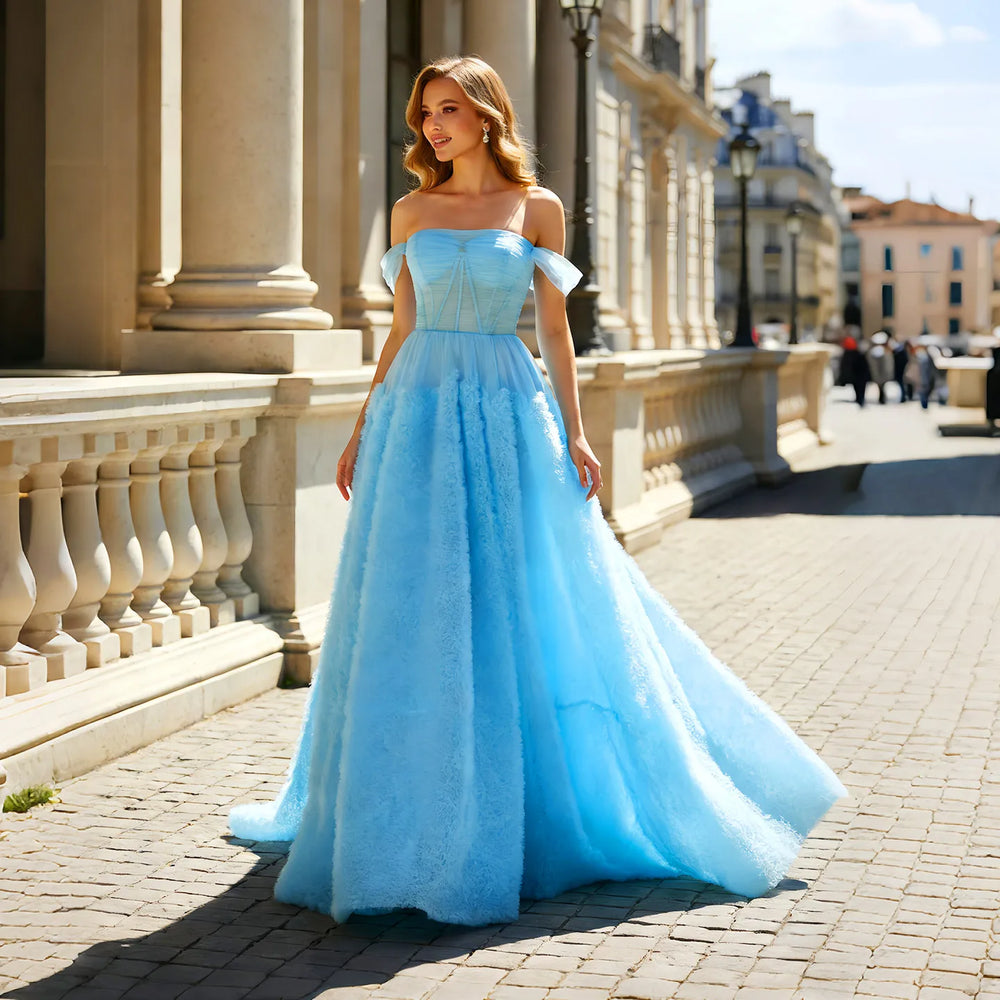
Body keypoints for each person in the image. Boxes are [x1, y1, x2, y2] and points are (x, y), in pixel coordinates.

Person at [228, 55, 846, 927]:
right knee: (409, 601)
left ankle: (524, 804)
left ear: (486, 113)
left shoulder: (539, 209)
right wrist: (366, 425)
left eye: (448, 109)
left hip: (508, 409)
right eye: (424, 113)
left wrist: (580, 432)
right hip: (419, 414)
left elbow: (555, 331)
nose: (432, 126)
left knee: (521, 596)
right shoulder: (409, 208)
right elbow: (402, 327)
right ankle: (393, 813)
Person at [839, 335, 870, 406]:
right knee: (860, 389)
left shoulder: (848, 355)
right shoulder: (857, 353)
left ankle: (860, 400)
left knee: (859, 389)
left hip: (858, 376)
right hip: (859, 376)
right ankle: (860, 400)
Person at [865, 331, 893, 404]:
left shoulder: (875, 351)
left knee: (880, 386)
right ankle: (882, 397)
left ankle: (882, 397)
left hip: (879, 373)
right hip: (881, 373)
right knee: (882, 386)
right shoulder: (883, 351)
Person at [890, 335, 910, 401]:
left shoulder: (900, 352)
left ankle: (903, 397)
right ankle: (904, 396)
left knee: (902, 385)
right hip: (901, 371)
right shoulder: (901, 352)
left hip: (901, 371)